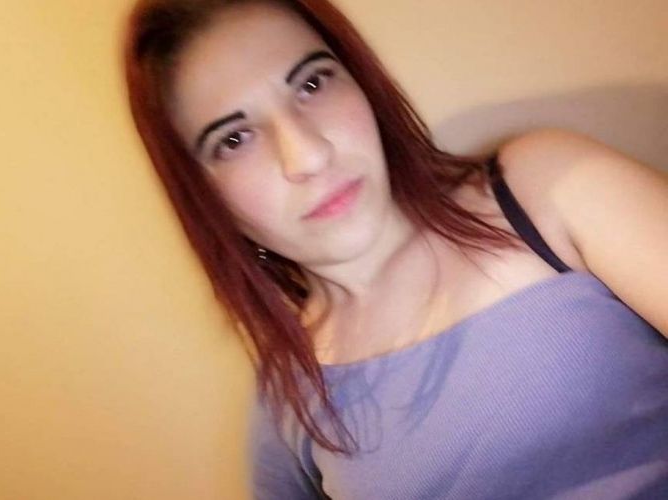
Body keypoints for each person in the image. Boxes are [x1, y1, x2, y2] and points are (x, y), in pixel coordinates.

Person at [123, 0, 668, 498]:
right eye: (234, 139)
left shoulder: (542, 187)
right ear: (204, 197)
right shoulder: (288, 393)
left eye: (312, 83)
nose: (308, 155)